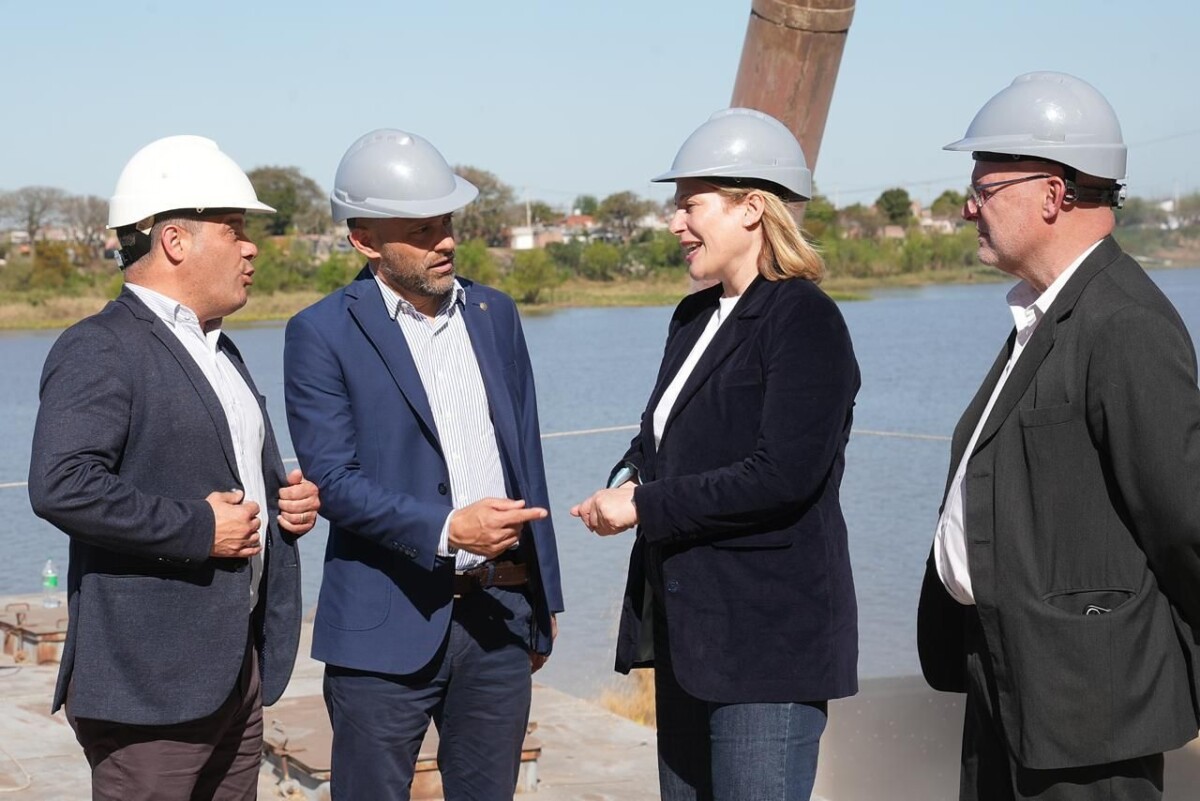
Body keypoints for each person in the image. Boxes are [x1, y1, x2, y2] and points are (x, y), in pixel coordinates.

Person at [918, 71, 1200, 801]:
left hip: (1086, 707)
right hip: (1009, 678)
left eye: (984, 188)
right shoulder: (1044, 315)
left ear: (1051, 194)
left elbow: (1184, 522)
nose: (968, 206)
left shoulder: (1124, 322)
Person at [572, 108, 860, 801]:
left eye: (691, 205)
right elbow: (658, 439)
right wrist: (628, 477)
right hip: (691, 641)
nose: (675, 223)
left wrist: (644, 507)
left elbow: (782, 476)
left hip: (766, 647)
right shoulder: (693, 316)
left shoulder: (804, 318)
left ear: (752, 208)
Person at [27, 134, 321, 800]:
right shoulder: (100, 346)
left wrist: (286, 507)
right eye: (235, 229)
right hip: (149, 691)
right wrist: (200, 529)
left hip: (236, 672)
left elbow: (221, 477)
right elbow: (61, 484)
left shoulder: (220, 350)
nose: (251, 248)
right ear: (175, 241)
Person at [283, 128, 563, 801]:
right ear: (365, 240)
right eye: (421, 230)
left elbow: (526, 459)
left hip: (499, 619)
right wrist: (447, 529)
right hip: (382, 631)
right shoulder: (320, 332)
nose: (446, 241)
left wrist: (543, 598)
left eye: (447, 222)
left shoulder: (496, 314)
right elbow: (334, 482)